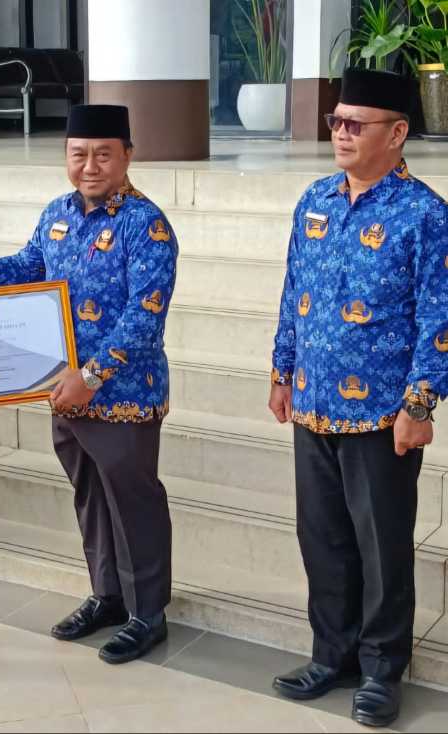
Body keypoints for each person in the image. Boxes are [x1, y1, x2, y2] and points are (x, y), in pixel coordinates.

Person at [0, 105, 178, 664]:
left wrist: (94, 377)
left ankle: (147, 612)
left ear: (128, 154)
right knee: (91, 499)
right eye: (79, 154)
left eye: (104, 153)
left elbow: (144, 317)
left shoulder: (147, 226)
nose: (90, 165)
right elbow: (30, 267)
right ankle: (107, 596)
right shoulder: (57, 213)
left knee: (133, 501)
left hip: (122, 393)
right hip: (62, 390)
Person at [269, 69, 447, 728]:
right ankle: (332, 653)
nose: (340, 133)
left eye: (355, 123)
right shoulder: (314, 199)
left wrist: (421, 403)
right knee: (322, 539)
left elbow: (441, 317)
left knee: (382, 546)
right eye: (336, 120)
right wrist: (281, 369)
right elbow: (294, 291)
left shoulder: (425, 216)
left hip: (381, 415)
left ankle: (380, 668)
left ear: (397, 134)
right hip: (313, 403)